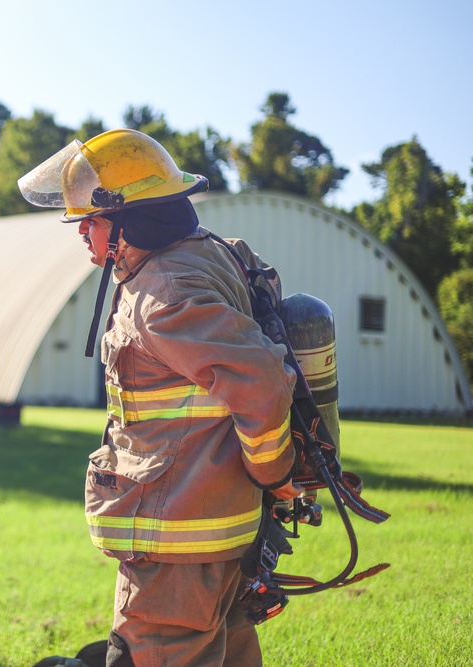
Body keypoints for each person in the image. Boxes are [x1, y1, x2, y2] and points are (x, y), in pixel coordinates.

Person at [18, 130, 302, 667]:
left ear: (132, 220)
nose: (81, 232)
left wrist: (275, 471)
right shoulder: (204, 258)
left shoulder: (163, 295)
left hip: (177, 547)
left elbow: (260, 382)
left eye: (92, 220)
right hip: (218, 536)